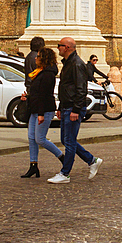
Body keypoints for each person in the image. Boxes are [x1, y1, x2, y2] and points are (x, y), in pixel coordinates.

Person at [48, 36, 102, 184]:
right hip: (67, 106)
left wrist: (76, 110)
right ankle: (91, 160)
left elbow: (81, 89)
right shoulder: (68, 63)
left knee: (69, 141)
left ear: (67, 47)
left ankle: (65, 174)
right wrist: (60, 106)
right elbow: (65, 87)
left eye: (59, 45)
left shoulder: (77, 64)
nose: (57, 48)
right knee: (66, 140)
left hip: (73, 107)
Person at [20, 46, 63, 179]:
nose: (35, 58)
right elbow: (37, 92)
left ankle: (62, 157)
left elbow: (44, 94)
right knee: (32, 138)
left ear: (43, 59)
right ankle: (33, 165)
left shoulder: (48, 74)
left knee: (40, 138)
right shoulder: (39, 72)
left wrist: (40, 114)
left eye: (38, 56)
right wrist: (28, 97)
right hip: (35, 108)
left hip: (44, 109)